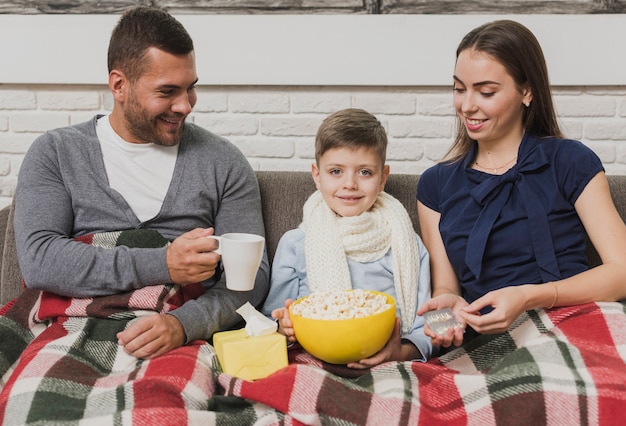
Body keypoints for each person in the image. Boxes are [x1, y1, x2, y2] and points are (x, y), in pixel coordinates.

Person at [13, 6, 269, 359]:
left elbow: (251, 277)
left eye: (190, 89)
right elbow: (40, 260)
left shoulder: (222, 162)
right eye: (167, 92)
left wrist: (184, 324)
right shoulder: (56, 153)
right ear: (119, 85)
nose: (185, 106)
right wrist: (163, 263)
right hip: (71, 327)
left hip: (175, 330)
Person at [416, 19, 626, 349]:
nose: (467, 105)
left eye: (486, 92)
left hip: (574, 325)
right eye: (459, 89)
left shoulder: (569, 161)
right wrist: (444, 315)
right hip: (487, 345)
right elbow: (446, 290)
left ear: (526, 91)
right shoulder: (435, 185)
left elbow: (622, 271)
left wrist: (528, 297)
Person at [263, 108, 434, 368]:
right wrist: (282, 327)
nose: (350, 184)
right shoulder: (296, 244)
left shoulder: (407, 244)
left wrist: (399, 353)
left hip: (388, 361)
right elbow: (272, 319)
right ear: (317, 175)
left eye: (365, 172)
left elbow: (427, 328)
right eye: (336, 172)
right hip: (314, 358)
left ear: (383, 178)